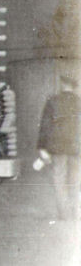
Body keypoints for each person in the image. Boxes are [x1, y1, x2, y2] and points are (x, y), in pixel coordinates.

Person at [36, 74, 81, 221]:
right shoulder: (78, 102)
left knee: (59, 180)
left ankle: (64, 214)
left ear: (62, 84)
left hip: (57, 147)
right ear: (74, 86)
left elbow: (45, 126)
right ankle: (76, 214)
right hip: (76, 147)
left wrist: (42, 147)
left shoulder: (53, 101)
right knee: (75, 180)